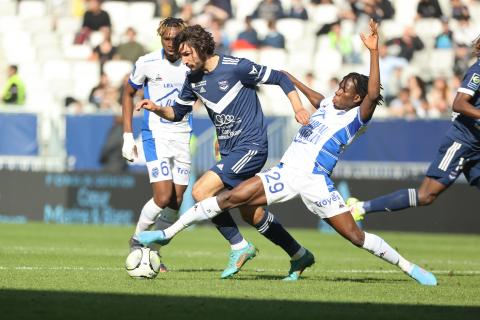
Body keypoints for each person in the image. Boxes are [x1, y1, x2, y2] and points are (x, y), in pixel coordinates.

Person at [137, 20, 437, 286]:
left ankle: (410, 268)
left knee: (356, 237)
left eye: (344, 90)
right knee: (232, 200)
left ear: (356, 98)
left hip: (315, 181)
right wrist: (289, 78)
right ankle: (167, 235)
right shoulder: (329, 107)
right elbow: (315, 96)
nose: (337, 92)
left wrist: (373, 51)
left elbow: (372, 93)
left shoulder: (357, 118)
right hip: (285, 172)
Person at [135, 24, 314, 280]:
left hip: (251, 147)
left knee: (200, 191)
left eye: (187, 54)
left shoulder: (236, 67)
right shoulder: (193, 79)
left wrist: (298, 108)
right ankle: (299, 254)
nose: (183, 60)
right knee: (252, 212)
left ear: (200, 48)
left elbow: (281, 77)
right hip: (229, 152)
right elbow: (177, 113)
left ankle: (239, 247)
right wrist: (155, 108)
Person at [347, 34, 480, 223]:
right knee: (426, 195)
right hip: (462, 142)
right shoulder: (478, 71)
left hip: (477, 145)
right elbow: (458, 104)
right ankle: (359, 207)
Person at [122, 18, 191, 273]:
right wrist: (128, 136)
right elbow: (127, 93)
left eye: (176, 38)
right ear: (160, 38)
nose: (171, 43)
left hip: (183, 134)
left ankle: (153, 253)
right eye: (166, 38)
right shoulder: (147, 62)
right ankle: (137, 241)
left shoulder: (191, 63)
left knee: (177, 200)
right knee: (162, 197)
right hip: (155, 134)